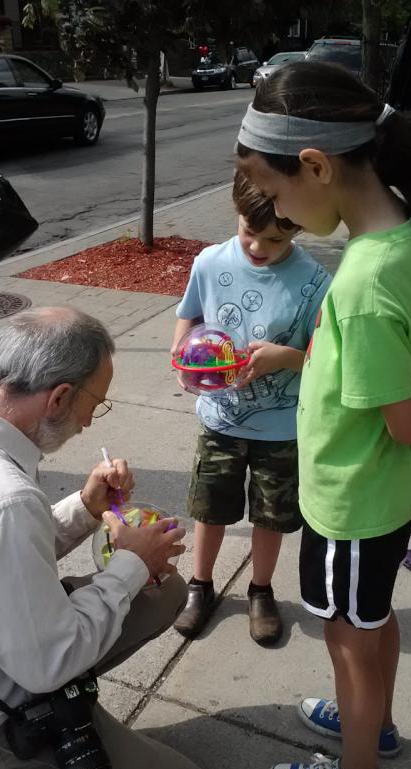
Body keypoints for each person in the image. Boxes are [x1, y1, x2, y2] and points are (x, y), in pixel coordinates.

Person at [236, 62, 411, 769]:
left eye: (275, 193)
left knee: (347, 638)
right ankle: (375, 723)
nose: (280, 212)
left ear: (316, 166)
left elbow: (400, 417)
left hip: (351, 503)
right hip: (378, 499)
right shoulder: (401, 228)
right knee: (371, 622)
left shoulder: (363, 286)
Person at [0, 307, 214, 769]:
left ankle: (64, 720)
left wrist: (85, 508)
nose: (88, 422)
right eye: (95, 404)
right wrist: (131, 563)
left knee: (164, 591)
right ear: (60, 397)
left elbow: (4, 557)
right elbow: (47, 660)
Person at [171, 171, 330, 645]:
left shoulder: (315, 281)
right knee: (211, 507)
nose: (259, 246)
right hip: (220, 416)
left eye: (275, 238)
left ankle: (260, 589)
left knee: (271, 515)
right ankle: (200, 584)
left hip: (281, 427)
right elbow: (189, 315)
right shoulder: (210, 261)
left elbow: (327, 358)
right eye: (249, 232)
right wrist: (182, 358)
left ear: (297, 227)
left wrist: (288, 358)